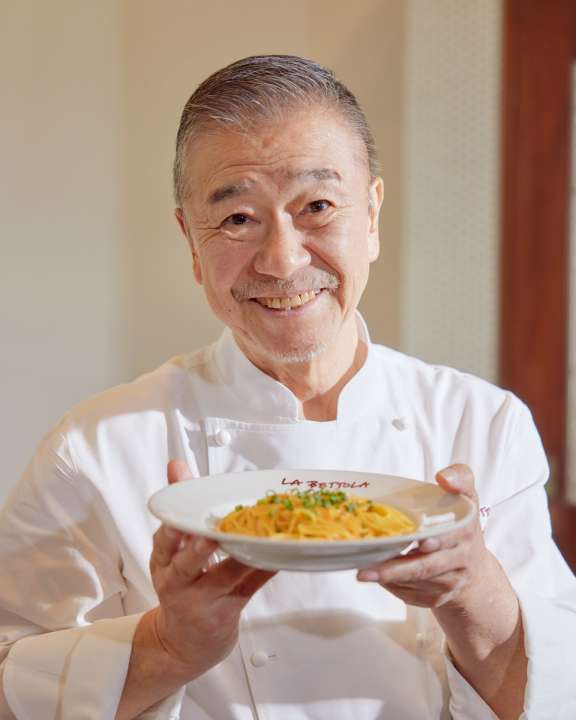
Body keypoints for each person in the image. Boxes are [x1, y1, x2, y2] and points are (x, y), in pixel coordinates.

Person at [0, 54, 575, 720]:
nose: (282, 260)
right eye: (237, 218)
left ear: (371, 216)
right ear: (191, 242)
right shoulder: (96, 448)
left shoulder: (482, 424)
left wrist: (473, 594)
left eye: (318, 206)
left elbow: (558, 694)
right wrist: (168, 647)